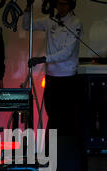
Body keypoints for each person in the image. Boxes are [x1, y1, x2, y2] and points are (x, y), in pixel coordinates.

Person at [23, 0, 82, 136]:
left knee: (66, 118)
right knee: (52, 114)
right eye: (59, 3)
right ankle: (53, 150)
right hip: (51, 77)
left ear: (71, 5)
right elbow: (27, 25)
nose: (61, 7)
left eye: (65, 3)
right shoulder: (49, 21)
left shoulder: (75, 22)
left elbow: (68, 52)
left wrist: (44, 59)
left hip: (68, 78)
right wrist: (28, 8)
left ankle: (65, 148)